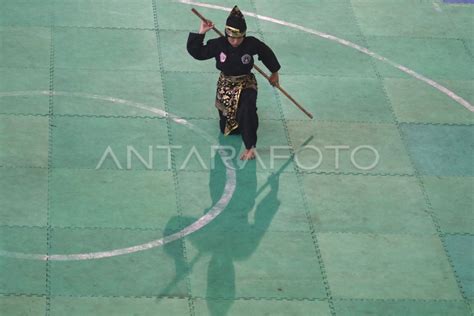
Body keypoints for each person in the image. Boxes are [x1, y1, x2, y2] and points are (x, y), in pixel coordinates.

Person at [187, 5, 281, 160]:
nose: (235, 41)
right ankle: (242, 121)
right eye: (232, 37)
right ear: (226, 33)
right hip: (225, 85)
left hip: (246, 83)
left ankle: (250, 147)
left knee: (247, 109)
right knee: (229, 129)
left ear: (244, 35)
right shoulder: (219, 44)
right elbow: (198, 53)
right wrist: (201, 32)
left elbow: (266, 53)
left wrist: (274, 72)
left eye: (239, 38)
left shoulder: (251, 44)